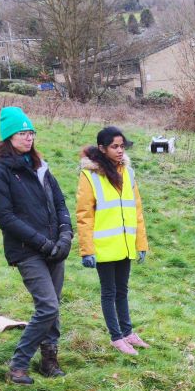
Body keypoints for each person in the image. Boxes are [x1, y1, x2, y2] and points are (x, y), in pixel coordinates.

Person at [0, 107, 72, 384]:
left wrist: (65, 235)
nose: (28, 137)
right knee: (48, 306)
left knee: (53, 305)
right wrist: (42, 243)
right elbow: (4, 217)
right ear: (9, 136)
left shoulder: (40, 166)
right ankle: (18, 364)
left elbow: (59, 202)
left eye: (30, 132)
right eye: (22, 133)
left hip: (54, 247)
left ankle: (49, 361)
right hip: (26, 250)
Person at [76, 126, 149, 355]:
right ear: (102, 148)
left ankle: (127, 333)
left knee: (122, 291)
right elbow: (84, 215)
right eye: (114, 147)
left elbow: (136, 210)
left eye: (122, 146)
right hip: (104, 247)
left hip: (125, 244)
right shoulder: (90, 175)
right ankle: (116, 337)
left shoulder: (128, 172)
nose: (120, 151)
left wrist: (141, 243)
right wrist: (87, 250)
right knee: (109, 292)